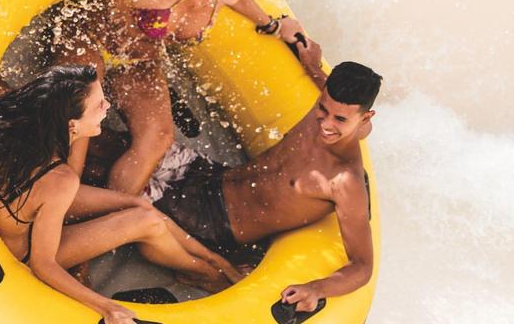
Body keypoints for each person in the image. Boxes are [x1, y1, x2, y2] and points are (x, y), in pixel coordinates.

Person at [0, 42, 241, 324]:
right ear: (71, 123)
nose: (107, 108)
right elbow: (43, 263)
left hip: (28, 202)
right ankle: (208, 273)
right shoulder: (60, 180)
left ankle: (218, 264)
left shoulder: (9, 118)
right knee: (148, 221)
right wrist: (105, 306)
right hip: (21, 247)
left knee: (141, 204)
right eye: (99, 105)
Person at [51, 0, 307, 195]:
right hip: (91, 36)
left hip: (138, 61)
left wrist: (274, 25)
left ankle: (109, 211)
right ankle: (61, 200)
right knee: (81, 116)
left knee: (159, 138)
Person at [152, 40, 381, 313]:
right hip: (210, 175)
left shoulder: (345, 181)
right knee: (122, 147)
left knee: (109, 177)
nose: (326, 124)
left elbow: (363, 267)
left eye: (340, 120)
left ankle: (216, 271)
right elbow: (330, 95)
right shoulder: (330, 111)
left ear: (366, 117)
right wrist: (311, 64)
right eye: (323, 109)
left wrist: (316, 288)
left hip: (212, 223)